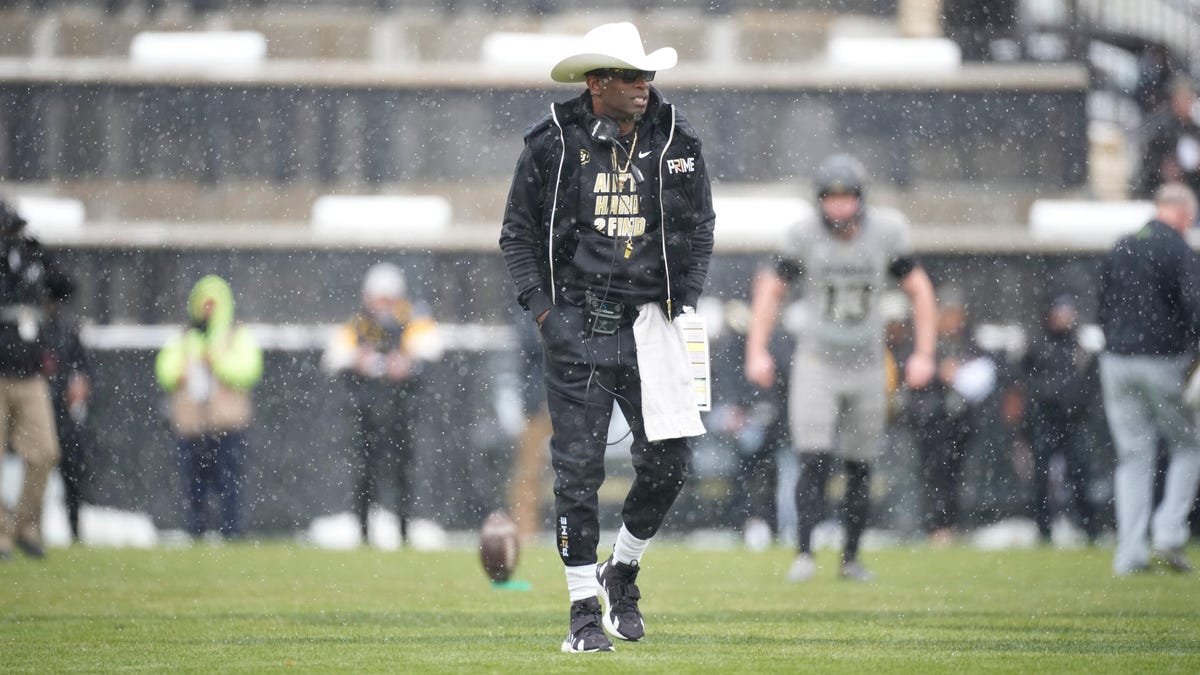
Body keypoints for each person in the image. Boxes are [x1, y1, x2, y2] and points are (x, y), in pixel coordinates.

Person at [499, 22, 715, 652]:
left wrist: (688, 299)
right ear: (596, 83)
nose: (644, 85)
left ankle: (622, 567)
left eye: (647, 74)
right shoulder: (551, 143)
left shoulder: (678, 137)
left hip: (653, 322)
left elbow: (701, 225)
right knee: (576, 475)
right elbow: (516, 234)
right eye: (630, 75)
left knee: (671, 464)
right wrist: (544, 313)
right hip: (579, 323)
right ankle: (581, 613)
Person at [745, 154, 937, 582]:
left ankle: (850, 558)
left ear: (860, 199)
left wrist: (924, 353)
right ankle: (805, 553)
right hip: (818, 360)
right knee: (812, 457)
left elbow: (920, 290)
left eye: (846, 197)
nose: (839, 207)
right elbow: (771, 289)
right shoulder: (804, 236)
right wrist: (756, 349)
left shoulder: (886, 233)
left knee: (860, 463)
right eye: (830, 198)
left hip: (868, 361)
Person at [1098, 182, 1200, 576]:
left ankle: (1129, 555)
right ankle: (1169, 533)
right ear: (1185, 214)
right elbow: (1195, 305)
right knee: (1189, 445)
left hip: (1115, 362)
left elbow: (1101, 303)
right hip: (1162, 361)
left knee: (1133, 457)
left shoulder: (1122, 244)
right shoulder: (1177, 249)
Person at [321, 262, 441, 546]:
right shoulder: (359, 324)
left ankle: (403, 532)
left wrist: (408, 361)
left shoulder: (411, 320)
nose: (383, 305)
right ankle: (364, 532)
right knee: (365, 474)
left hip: (401, 410)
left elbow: (433, 345)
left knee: (402, 474)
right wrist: (357, 359)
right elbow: (333, 356)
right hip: (366, 411)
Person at [155, 275, 263, 540]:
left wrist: (216, 363)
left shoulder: (237, 335)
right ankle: (196, 532)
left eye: (213, 304)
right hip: (191, 424)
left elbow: (249, 370)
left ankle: (232, 533)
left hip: (227, 423)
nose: (208, 310)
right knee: (193, 485)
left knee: (230, 484)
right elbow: (165, 368)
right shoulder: (185, 336)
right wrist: (179, 373)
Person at [0, 199, 63, 560]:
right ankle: (2, 534)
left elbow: (65, 287)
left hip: (28, 371)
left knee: (44, 452)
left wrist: (38, 259)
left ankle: (23, 525)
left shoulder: (29, 261)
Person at [906, 291, 994, 547]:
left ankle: (949, 524)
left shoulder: (969, 344)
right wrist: (938, 374)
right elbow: (912, 377)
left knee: (953, 474)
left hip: (960, 421)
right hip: (931, 420)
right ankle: (935, 525)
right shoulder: (927, 345)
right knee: (935, 474)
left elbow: (985, 374)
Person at [1020, 294, 1100, 544]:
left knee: (1080, 473)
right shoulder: (1038, 343)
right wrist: (1045, 395)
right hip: (1045, 418)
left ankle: (1089, 527)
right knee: (1042, 476)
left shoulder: (1079, 344)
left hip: (1073, 419)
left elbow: (1089, 382)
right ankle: (1044, 529)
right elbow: (1024, 380)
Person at [42, 272, 95, 543]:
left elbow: (82, 368)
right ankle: (27, 529)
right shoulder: (29, 329)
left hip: (63, 411)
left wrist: (79, 385)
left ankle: (74, 528)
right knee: (36, 466)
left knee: (72, 472)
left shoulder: (66, 330)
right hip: (38, 410)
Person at [1136, 75, 1200, 199]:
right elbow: (1149, 162)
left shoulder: (1195, 128)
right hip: (1167, 190)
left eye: (1188, 99)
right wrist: (1163, 168)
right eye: (1181, 99)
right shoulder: (1160, 128)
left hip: (1193, 189)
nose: (1185, 104)